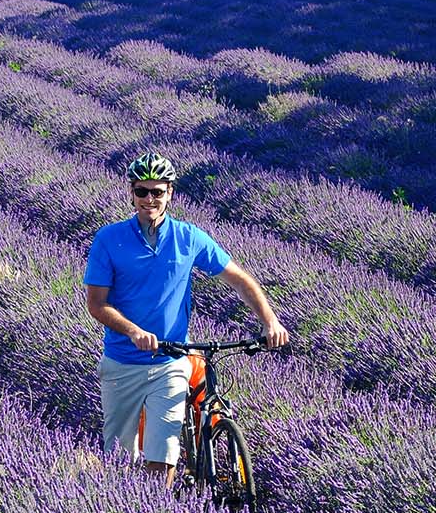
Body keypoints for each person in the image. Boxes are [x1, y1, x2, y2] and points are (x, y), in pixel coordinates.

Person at [83, 153, 289, 486]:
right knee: (119, 460)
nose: (150, 199)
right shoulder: (109, 239)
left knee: (163, 453)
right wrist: (133, 331)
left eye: (157, 192)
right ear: (131, 193)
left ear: (170, 194)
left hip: (171, 360)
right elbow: (96, 304)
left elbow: (238, 278)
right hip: (122, 363)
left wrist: (270, 321)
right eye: (142, 192)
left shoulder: (189, 237)